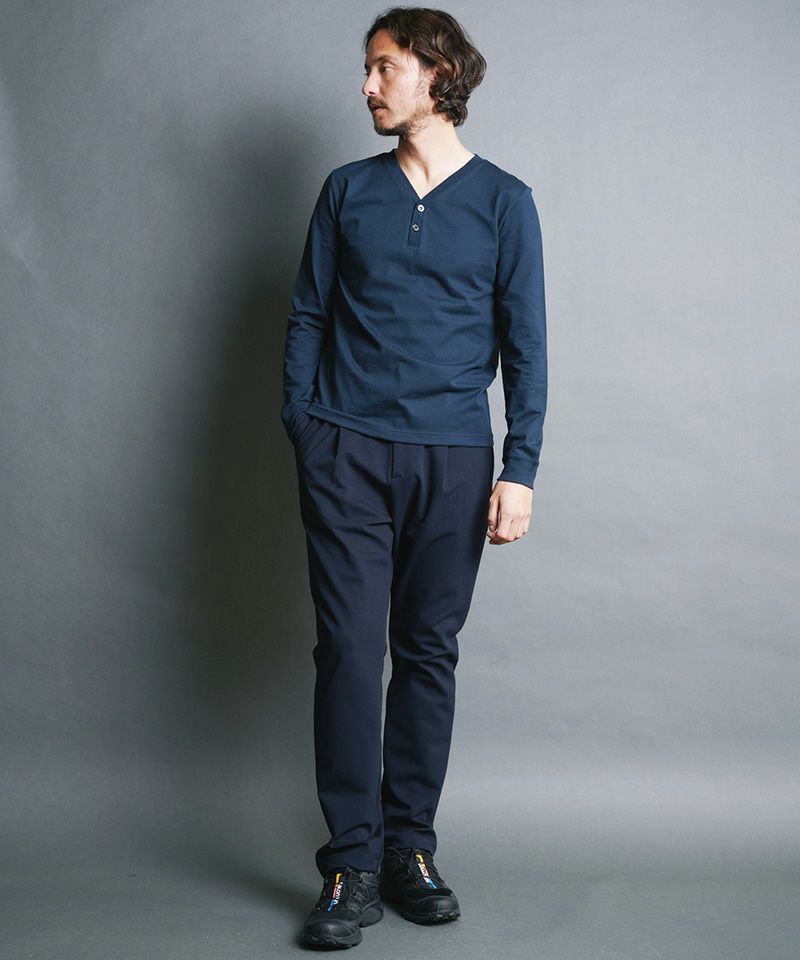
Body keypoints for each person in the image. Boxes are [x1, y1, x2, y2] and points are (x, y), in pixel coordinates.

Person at [282, 7, 547, 949]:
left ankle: (410, 850)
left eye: (383, 67)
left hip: (453, 459)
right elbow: (308, 314)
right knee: (351, 653)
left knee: (429, 652)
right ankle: (350, 863)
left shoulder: (505, 202)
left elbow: (527, 345)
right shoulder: (348, 191)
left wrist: (519, 468)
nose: (367, 86)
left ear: (437, 72)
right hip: (346, 452)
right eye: (367, 69)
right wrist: (306, 428)